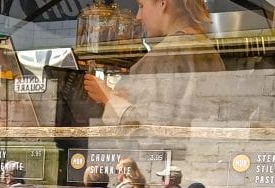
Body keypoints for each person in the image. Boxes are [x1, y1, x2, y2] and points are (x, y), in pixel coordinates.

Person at [83, 0, 224, 126]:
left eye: (141, 6)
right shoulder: (205, 47)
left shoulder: (167, 54)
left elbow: (149, 130)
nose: (138, 17)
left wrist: (108, 98)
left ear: (162, 3)